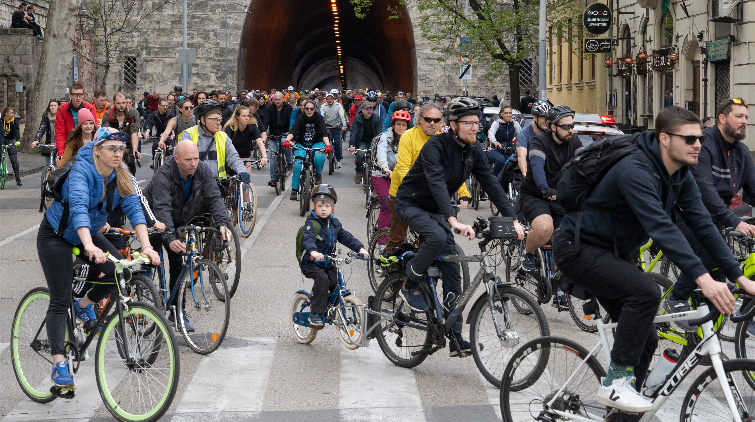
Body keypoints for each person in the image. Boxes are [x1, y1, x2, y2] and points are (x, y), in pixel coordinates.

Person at [552, 105, 755, 412]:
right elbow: (661, 228)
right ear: (664, 138)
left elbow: (703, 225)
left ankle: (621, 416)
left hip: (617, 252)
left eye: (699, 138)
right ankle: (615, 382)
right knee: (646, 293)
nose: (698, 144)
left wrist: (738, 277)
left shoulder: (680, 175)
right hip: (579, 248)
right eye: (688, 139)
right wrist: (704, 279)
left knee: (646, 340)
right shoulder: (635, 171)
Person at [394, 97, 524, 356]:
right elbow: (437, 183)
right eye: (469, 123)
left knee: (453, 267)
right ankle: (409, 282)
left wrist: (513, 218)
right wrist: (452, 219)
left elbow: (491, 184)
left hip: (436, 209)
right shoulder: (435, 147)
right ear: (453, 125)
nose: (476, 128)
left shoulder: (474, 151)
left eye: (477, 123)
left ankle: (454, 336)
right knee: (435, 237)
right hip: (411, 203)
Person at [39, 127, 161, 390]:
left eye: (121, 149)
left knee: (123, 272)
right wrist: (88, 245)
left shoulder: (121, 174)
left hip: (89, 234)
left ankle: (83, 304)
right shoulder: (82, 171)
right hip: (57, 235)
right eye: (112, 149)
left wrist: (148, 246)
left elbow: (134, 209)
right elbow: (79, 208)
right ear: (97, 149)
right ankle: (58, 363)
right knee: (60, 299)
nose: (118, 154)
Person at [664, 98, 755, 327]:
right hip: (685, 212)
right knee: (710, 248)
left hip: (716, 218)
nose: (744, 121)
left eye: (746, 117)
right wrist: (733, 220)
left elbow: (754, 190)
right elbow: (705, 189)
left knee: (718, 289)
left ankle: (703, 348)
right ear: (722, 119)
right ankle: (677, 298)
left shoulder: (743, 152)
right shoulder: (703, 145)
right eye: (739, 116)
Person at [145, 139, 230, 331]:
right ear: (176, 159)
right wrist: (169, 237)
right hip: (152, 219)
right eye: (188, 160)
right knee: (151, 259)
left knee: (178, 262)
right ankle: (142, 289)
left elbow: (213, 196)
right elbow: (161, 209)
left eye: (196, 158)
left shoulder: (200, 170)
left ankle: (177, 311)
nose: (194, 163)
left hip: (179, 218)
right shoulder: (163, 176)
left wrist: (222, 224)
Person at [385, 103, 472, 252]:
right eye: (428, 119)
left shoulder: (445, 140)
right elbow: (403, 167)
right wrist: (419, 188)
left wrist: (463, 192)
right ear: (420, 120)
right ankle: (389, 269)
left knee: (435, 236)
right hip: (404, 193)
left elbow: (454, 170)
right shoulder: (408, 136)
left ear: (442, 122)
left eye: (436, 120)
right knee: (397, 237)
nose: (432, 123)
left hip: (430, 195)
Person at [519, 106, 580, 294]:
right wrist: (544, 188)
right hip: (535, 195)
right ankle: (527, 254)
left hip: (560, 198)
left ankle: (558, 284)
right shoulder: (540, 141)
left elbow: (585, 165)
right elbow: (537, 166)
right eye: (566, 126)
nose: (570, 130)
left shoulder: (575, 142)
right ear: (553, 127)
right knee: (545, 228)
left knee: (565, 241)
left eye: (572, 125)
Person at [299, 184, 368, 327]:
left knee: (334, 281)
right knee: (323, 279)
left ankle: (329, 307)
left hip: (327, 261)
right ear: (314, 206)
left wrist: (360, 248)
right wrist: (313, 252)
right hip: (311, 262)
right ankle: (316, 313)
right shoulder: (311, 223)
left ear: (332, 207)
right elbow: (308, 238)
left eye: (327, 206)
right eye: (320, 206)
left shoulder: (334, 223)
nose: (323, 209)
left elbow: (345, 236)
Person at [177, 100, 250, 183]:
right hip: (194, 185)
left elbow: (234, 157)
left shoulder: (223, 136)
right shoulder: (188, 135)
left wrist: (242, 171)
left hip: (218, 186)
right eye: (214, 119)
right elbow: (180, 162)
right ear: (203, 120)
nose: (218, 123)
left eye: (219, 119)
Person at [372, 111, 411, 241]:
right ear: (393, 125)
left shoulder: (410, 138)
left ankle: (401, 235)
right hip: (381, 173)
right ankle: (382, 241)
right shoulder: (385, 137)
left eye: (404, 125)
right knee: (387, 205)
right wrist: (386, 169)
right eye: (398, 124)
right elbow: (381, 153)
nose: (401, 127)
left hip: (400, 174)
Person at [284, 100, 331, 200]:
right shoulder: (300, 118)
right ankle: (294, 189)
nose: (309, 110)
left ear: (315, 109)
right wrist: (287, 140)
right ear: (304, 109)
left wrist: (327, 145)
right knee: (297, 164)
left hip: (316, 143)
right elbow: (294, 130)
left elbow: (323, 133)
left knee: (318, 157)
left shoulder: (319, 118)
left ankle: (318, 174)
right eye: (307, 109)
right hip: (302, 143)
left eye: (311, 109)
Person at [259, 92, 294, 188]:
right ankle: (273, 179)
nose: (277, 101)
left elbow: (291, 121)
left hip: (285, 133)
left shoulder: (288, 108)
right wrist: (264, 132)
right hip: (273, 134)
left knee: (284, 142)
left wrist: (291, 134)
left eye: (279, 99)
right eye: (276, 100)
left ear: (283, 99)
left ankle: (289, 161)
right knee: (272, 155)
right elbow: (266, 121)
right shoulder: (270, 109)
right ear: (273, 100)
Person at [101, 92, 141, 175]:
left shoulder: (133, 113)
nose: (121, 105)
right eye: (118, 103)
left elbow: (134, 132)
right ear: (114, 103)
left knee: (131, 163)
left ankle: (131, 183)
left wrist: (135, 150)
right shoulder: (108, 115)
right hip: (113, 142)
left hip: (128, 141)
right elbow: (107, 134)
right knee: (112, 165)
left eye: (123, 103)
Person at [55, 82, 96, 157]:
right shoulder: (61, 109)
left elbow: (95, 131)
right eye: (75, 95)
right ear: (70, 95)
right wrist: (61, 153)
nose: (78, 98)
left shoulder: (90, 108)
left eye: (80, 95)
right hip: (69, 146)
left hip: (86, 146)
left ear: (83, 95)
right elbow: (60, 134)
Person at [224, 104, 267, 174]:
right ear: (237, 116)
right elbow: (226, 144)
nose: (246, 118)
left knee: (246, 182)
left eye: (248, 116)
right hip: (232, 158)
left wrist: (264, 156)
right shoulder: (230, 127)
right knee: (230, 182)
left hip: (245, 157)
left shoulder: (252, 126)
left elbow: (259, 142)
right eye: (243, 116)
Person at [349, 98, 382, 184]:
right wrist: (352, 145)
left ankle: (376, 177)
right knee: (360, 155)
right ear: (362, 110)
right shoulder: (357, 119)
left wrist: (380, 144)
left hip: (373, 142)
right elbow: (354, 132)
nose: (369, 111)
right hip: (362, 141)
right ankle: (358, 171)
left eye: (371, 109)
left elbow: (379, 134)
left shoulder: (377, 119)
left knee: (376, 158)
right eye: (367, 109)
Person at [486, 105, 521, 177]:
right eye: (506, 113)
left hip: (508, 151)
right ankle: (494, 178)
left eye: (510, 113)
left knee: (514, 164)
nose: (508, 115)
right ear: (501, 114)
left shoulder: (514, 123)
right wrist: (494, 141)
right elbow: (491, 133)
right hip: (496, 151)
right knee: (500, 160)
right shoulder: (497, 123)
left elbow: (521, 134)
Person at [320, 90, 348, 169]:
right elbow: (321, 116)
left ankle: (338, 161)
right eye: (328, 99)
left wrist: (344, 125)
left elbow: (342, 115)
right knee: (326, 141)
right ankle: (327, 152)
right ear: (326, 99)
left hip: (336, 125)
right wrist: (320, 126)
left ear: (333, 99)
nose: (330, 100)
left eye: (331, 99)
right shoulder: (323, 106)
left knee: (337, 143)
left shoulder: (338, 105)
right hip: (327, 124)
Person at [32, 99, 61, 166]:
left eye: (55, 106)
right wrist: (36, 140)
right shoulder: (46, 117)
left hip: (60, 144)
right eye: (51, 106)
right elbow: (41, 129)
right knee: (48, 165)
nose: (53, 107)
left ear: (59, 107)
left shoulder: (62, 116)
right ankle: (47, 176)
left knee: (59, 165)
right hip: (49, 143)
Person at [2, 107, 22, 186]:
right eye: (11, 113)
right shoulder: (1, 119)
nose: (12, 114)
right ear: (6, 113)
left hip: (11, 139)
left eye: (13, 113)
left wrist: (18, 140)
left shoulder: (14, 121)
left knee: (13, 159)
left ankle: (18, 178)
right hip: (2, 139)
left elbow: (17, 131)